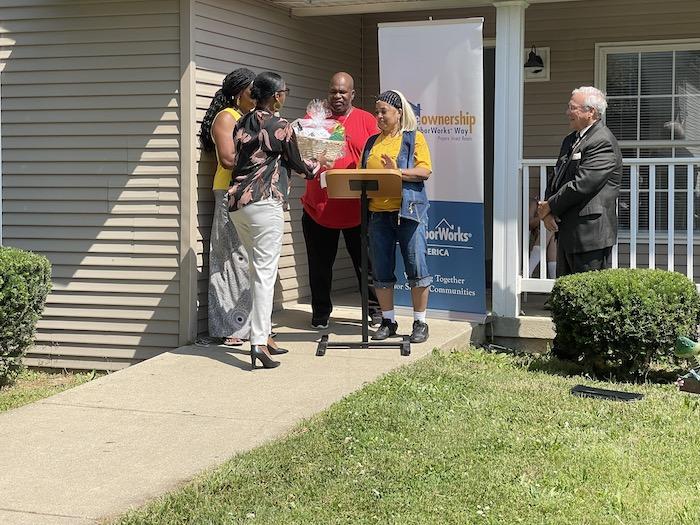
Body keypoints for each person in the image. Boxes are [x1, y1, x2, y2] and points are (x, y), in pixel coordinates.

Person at [228, 72, 327, 369]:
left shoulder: (241, 122)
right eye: (285, 91)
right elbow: (301, 165)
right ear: (276, 96)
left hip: (237, 204)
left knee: (258, 272)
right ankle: (258, 342)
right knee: (264, 273)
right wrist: (322, 159)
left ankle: (266, 335)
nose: (285, 95)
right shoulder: (280, 125)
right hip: (263, 201)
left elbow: (265, 156)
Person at [301, 72, 382, 329]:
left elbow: (377, 155)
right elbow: (301, 156)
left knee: (366, 266)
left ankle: (375, 312)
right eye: (333, 91)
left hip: (356, 208)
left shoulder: (366, 120)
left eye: (343, 92)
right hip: (319, 208)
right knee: (319, 266)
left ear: (352, 94)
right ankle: (321, 312)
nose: (337, 96)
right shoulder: (314, 120)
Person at [361, 90, 433, 344]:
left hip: (408, 213)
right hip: (378, 214)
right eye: (376, 111)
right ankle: (388, 321)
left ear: (399, 113)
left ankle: (420, 322)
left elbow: (424, 170)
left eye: (384, 111)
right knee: (381, 269)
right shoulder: (371, 142)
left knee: (416, 268)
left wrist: (397, 172)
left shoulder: (413, 138)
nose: (379, 116)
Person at [198, 68, 256, 347]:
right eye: (251, 91)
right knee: (230, 259)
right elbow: (227, 159)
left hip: (248, 193)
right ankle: (229, 327)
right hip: (229, 193)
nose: (256, 96)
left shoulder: (247, 118)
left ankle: (248, 324)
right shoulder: (226, 118)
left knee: (247, 258)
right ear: (237, 94)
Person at [538, 86, 622, 277]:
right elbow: (556, 177)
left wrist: (550, 206)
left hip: (589, 235)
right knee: (566, 295)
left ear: (590, 111)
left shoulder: (603, 141)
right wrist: (547, 211)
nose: (568, 112)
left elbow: (582, 184)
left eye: (573, 108)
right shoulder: (571, 140)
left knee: (587, 298)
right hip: (567, 231)